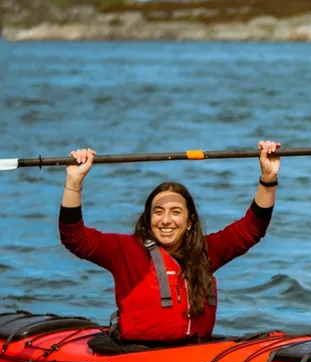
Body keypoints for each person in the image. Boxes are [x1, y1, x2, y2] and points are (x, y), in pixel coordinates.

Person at [58, 141, 281, 344]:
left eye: (175, 212)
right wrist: (74, 181)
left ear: (189, 220)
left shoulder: (206, 251)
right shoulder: (125, 251)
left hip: (193, 351)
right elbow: (74, 238)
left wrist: (268, 179)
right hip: (138, 353)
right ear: (148, 218)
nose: (166, 220)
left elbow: (252, 229)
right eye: (158, 212)